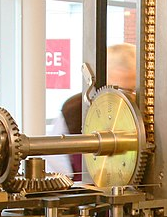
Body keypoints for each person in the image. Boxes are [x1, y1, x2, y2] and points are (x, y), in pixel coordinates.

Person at [46, 42, 137, 178]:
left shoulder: (151, 114)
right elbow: (56, 170)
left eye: (133, 91)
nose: (126, 99)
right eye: (118, 90)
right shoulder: (74, 112)